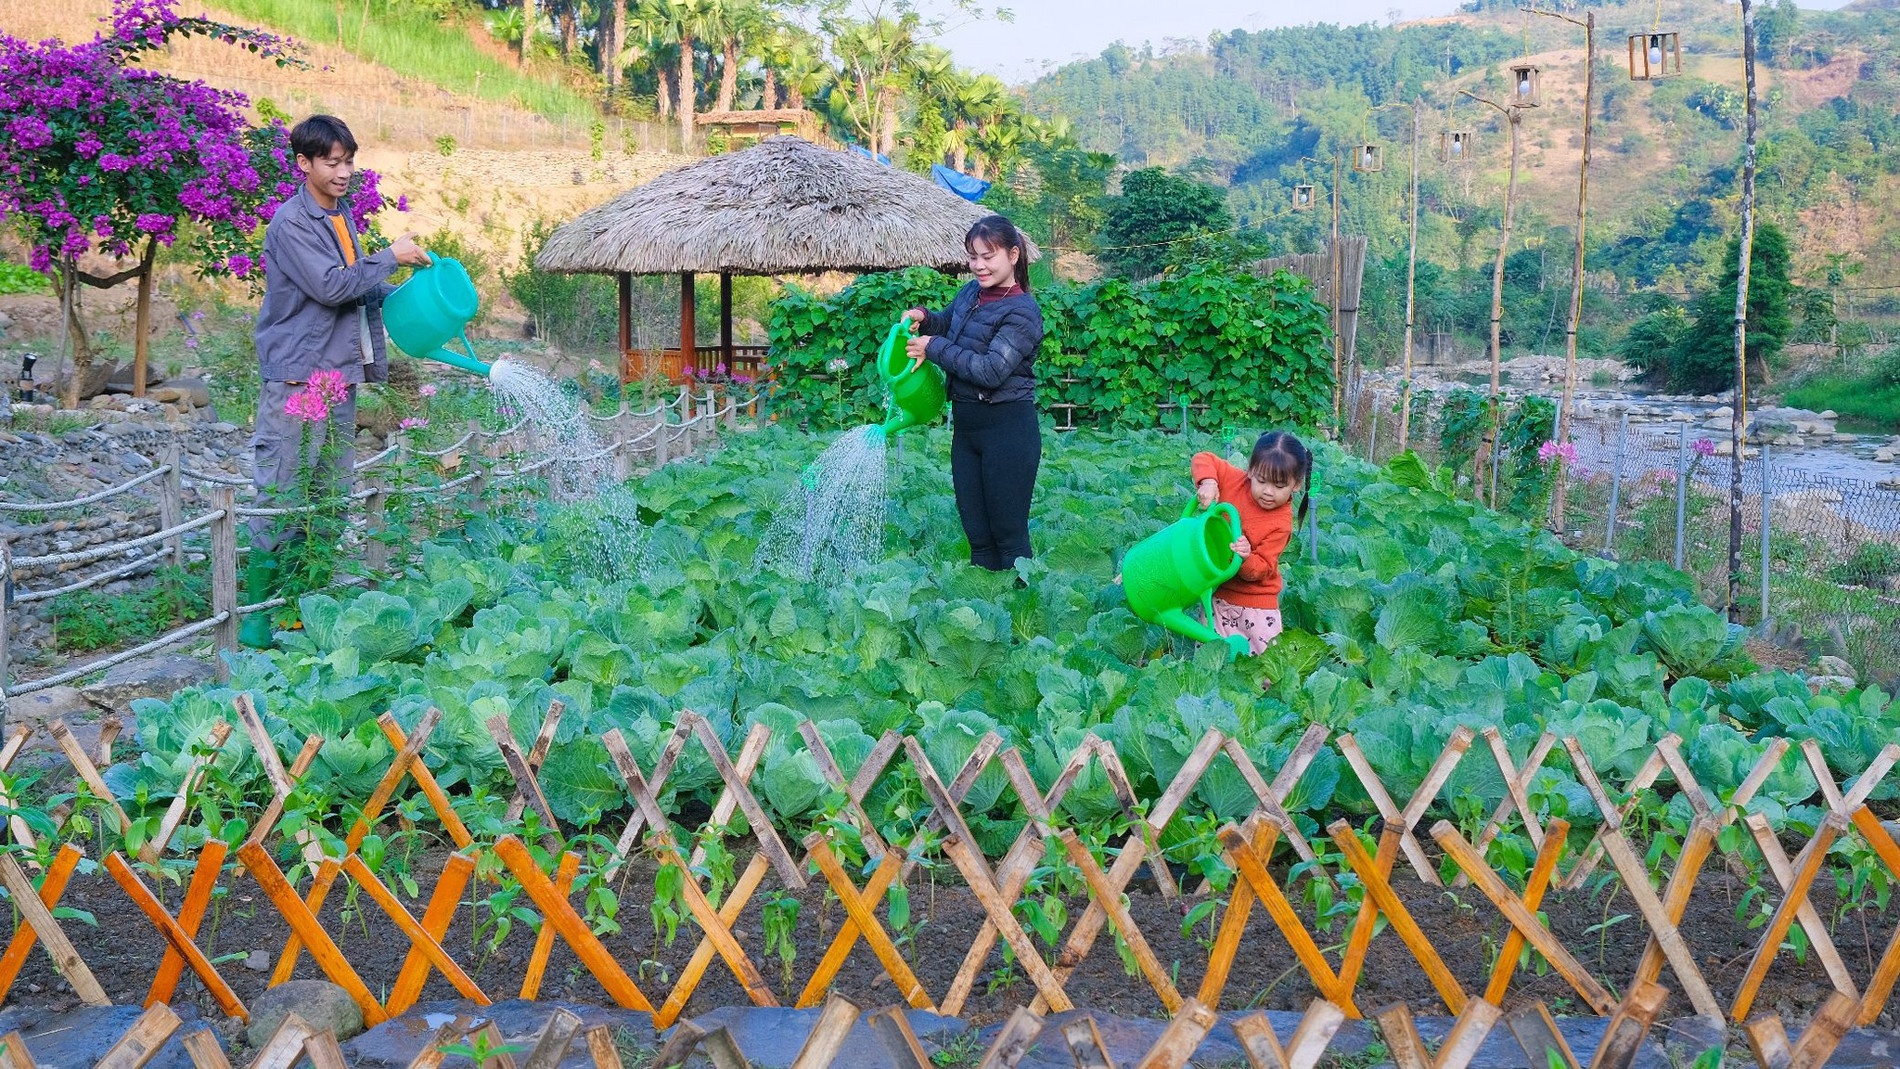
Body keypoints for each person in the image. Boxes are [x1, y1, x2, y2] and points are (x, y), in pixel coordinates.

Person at [244, 114, 430, 647]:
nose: (344, 171)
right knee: (282, 492)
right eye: (332, 161)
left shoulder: (340, 215)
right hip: (300, 377)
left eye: (349, 160)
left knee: (329, 496)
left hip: (337, 375)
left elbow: (355, 288)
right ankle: (257, 619)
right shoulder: (293, 223)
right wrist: (388, 257)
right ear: (303, 164)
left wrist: (403, 294)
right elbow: (330, 287)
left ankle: (306, 614)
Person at [903, 215, 1044, 571]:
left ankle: (1022, 612)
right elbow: (949, 324)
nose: (978, 265)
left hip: (1007, 431)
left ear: (1013, 255)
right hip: (968, 430)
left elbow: (991, 370)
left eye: (988, 256)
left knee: (1008, 535)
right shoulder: (972, 293)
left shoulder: (1023, 312)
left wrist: (933, 347)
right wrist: (925, 317)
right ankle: (985, 615)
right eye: (973, 256)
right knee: (979, 538)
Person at [1189, 431, 1311, 656]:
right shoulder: (1235, 480)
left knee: (1262, 666)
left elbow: (1264, 567)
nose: (1267, 491)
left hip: (1255, 604)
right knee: (1212, 658)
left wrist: (1246, 558)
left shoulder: (1281, 523)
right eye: (1261, 481)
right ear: (1251, 470)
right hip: (1217, 592)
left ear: (1296, 485)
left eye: (1279, 486)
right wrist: (1208, 482)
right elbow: (1203, 458)